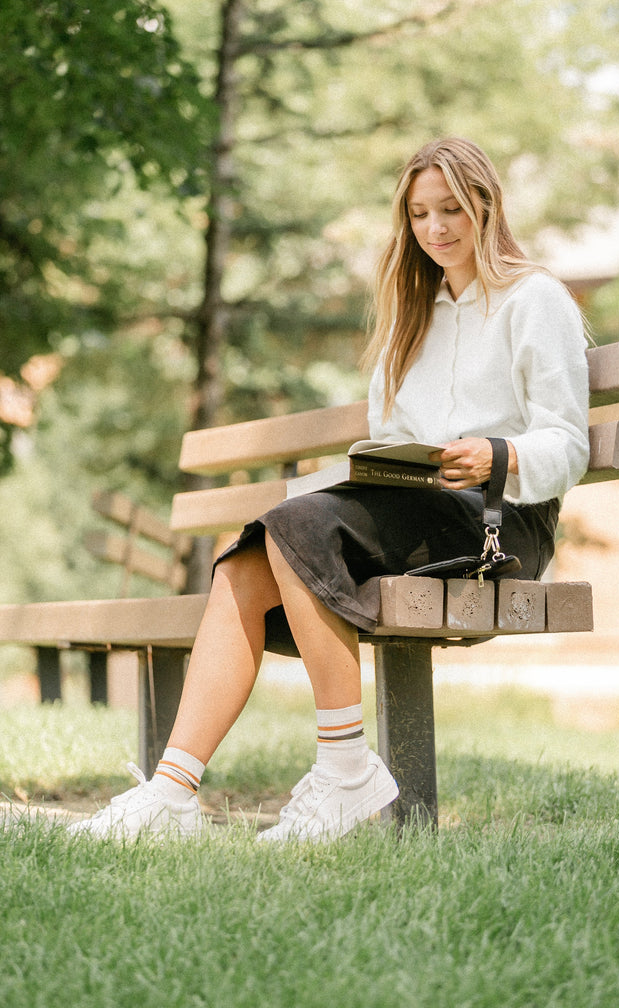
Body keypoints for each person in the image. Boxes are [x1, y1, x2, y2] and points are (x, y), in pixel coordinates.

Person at [68, 137, 589, 842]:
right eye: (420, 214)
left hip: (501, 524)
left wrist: (498, 454)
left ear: (486, 206)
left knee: (294, 526)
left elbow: (569, 444)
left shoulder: (535, 300)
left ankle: (345, 769)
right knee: (242, 566)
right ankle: (172, 794)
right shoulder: (414, 317)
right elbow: (391, 439)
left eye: (451, 209)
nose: (436, 228)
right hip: (420, 514)